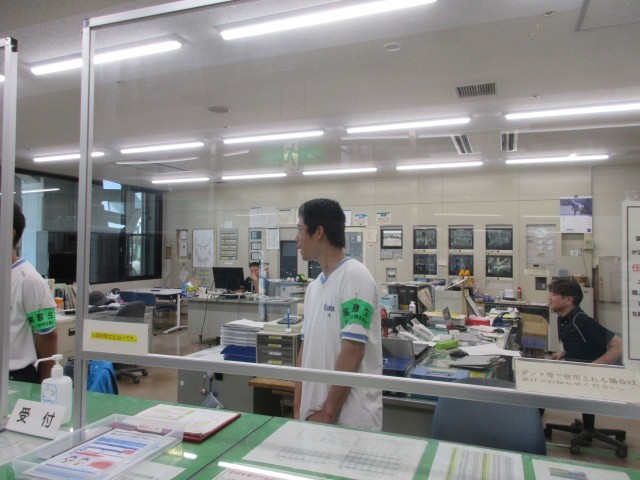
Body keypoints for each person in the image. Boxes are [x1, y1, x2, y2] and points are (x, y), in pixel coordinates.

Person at [293, 198, 382, 431]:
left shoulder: (355, 276)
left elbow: (353, 350)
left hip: (349, 421)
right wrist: (298, 407)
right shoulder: (314, 288)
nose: (297, 239)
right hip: (313, 419)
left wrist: (328, 413)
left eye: (300, 230)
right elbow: (305, 350)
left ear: (318, 232)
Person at [9, 202, 58, 383]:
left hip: (15, 377)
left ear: (9, 233)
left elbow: (48, 336)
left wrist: (44, 387)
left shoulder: (29, 279)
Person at [549, 278, 621, 364]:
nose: (549, 298)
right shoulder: (562, 319)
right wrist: (565, 354)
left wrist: (594, 366)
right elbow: (582, 347)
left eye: (554, 295)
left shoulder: (582, 321)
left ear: (569, 300)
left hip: (587, 371)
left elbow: (619, 345)